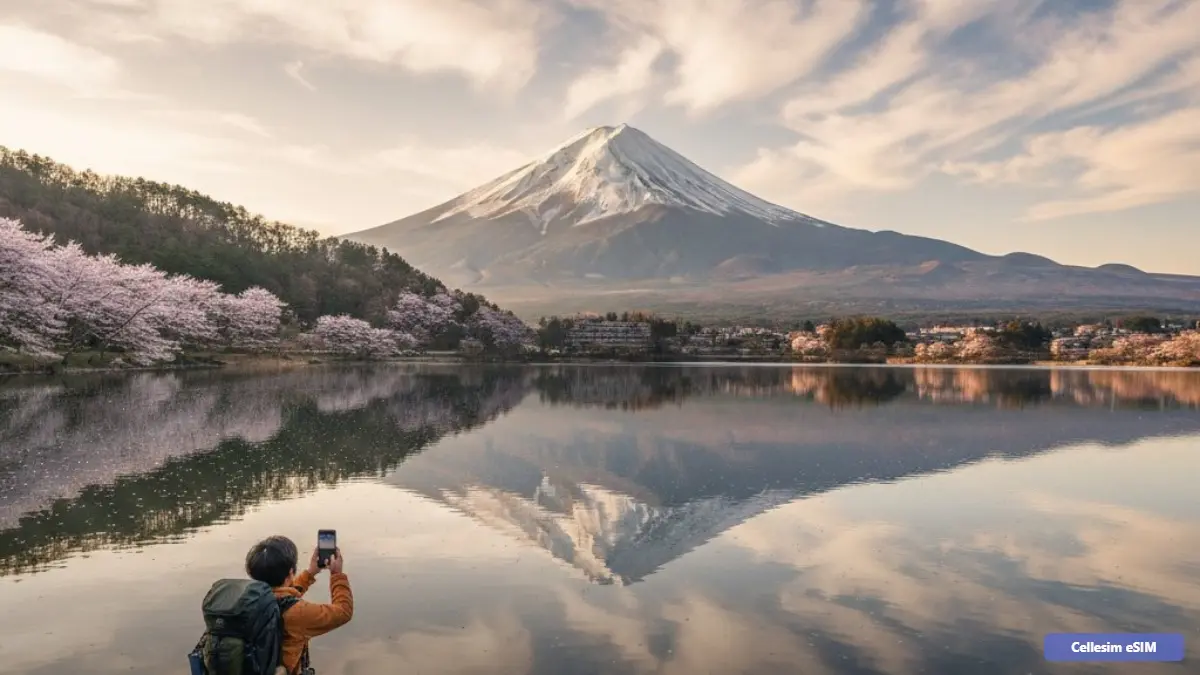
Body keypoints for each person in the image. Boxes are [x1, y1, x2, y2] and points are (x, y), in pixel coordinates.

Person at [244, 535, 354, 674]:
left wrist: (310, 573)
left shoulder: (246, 600)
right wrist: (337, 574)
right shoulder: (297, 613)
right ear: (291, 573)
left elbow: (283, 595)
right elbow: (344, 611)